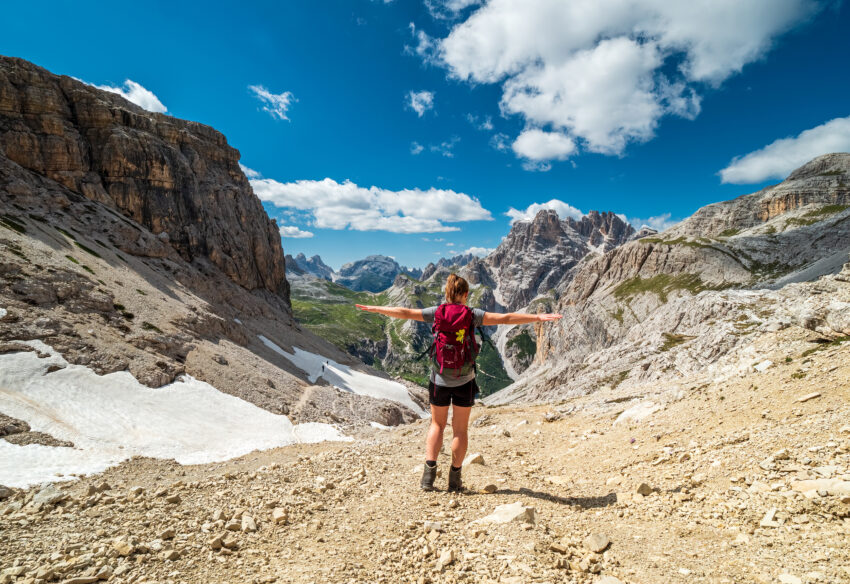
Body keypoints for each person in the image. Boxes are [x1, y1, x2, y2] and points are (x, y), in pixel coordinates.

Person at [356, 273, 562, 492]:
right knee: (460, 430)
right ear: (465, 294)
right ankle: (455, 480)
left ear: (447, 293)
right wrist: (537, 318)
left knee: (437, 425)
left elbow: (406, 313)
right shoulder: (472, 314)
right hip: (465, 380)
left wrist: (378, 309)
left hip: (439, 379)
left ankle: (428, 478)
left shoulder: (437, 312)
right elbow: (506, 319)